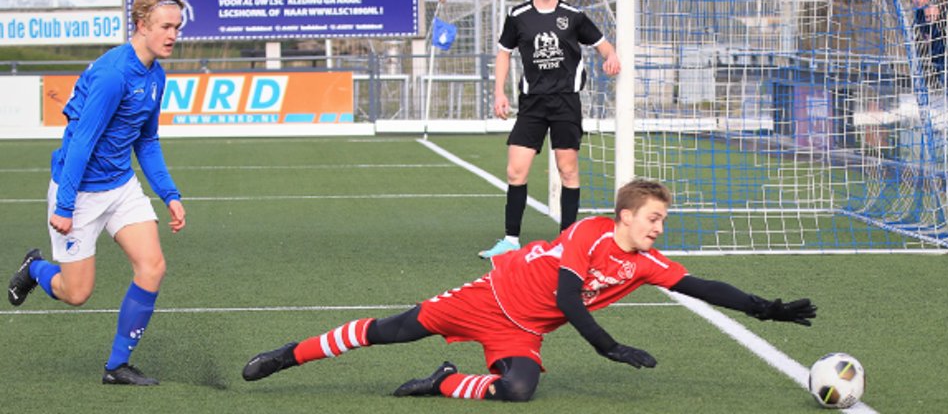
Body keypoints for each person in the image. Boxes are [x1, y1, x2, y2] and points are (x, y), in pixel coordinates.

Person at [242, 179, 816, 402]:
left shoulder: (645, 260)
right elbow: (570, 298)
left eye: (663, 220)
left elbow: (701, 284)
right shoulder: (588, 233)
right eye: (654, 218)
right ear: (624, 215)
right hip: (489, 298)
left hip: (522, 329)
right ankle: (284, 356)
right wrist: (607, 347)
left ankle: (444, 383)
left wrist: (765, 309)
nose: (659, 228)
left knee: (518, 391)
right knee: (389, 332)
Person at [7, 0, 188, 386]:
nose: (173, 35)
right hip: (82, 193)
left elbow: (147, 140)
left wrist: (170, 194)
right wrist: (66, 205)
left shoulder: (155, 76)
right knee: (76, 294)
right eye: (165, 26)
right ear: (141, 25)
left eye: (177, 26)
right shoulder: (113, 74)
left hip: (120, 186)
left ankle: (116, 366)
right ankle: (35, 268)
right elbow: (81, 141)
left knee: (152, 266)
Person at [481, 0, 621, 259]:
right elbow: (503, 53)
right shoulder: (518, 16)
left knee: (568, 170)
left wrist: (611, 56)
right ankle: (510, 240)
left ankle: (566, 242)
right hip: (532, 103)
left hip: (565, 103)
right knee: (515, 171)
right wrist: (499, 92)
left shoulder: (573, 16)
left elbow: (603, 44)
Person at [910, 0, 946, 88]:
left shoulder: (939, 8)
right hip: (932, 58)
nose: (917, 1)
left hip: (946, 57)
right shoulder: (918, 13)